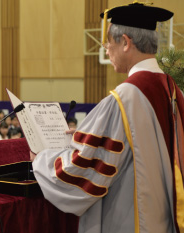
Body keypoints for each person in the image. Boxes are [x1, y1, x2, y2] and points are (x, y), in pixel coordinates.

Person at [30, 3, 184, 233]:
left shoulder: (125, 97)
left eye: (108, 43)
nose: (106, 50)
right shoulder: (172, 89)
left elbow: (84, 170)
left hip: (131, 220)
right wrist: (91, 136)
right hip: (164, 217)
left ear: (125, 42)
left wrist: (41, 159)